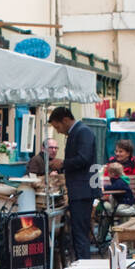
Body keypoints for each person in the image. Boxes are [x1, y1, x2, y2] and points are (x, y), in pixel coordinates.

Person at [48, 106, 97, 260]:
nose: (58, 131)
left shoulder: (82, 132)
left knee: (80, 233)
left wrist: (63, 164)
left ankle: (84, 267)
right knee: (77, 232)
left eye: (57, 127)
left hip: (82, 190)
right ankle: (81, 264)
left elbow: (84, 158)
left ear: (65, 120)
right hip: (79, 189)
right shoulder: (77, 132)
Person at [109, 139, 135, 206]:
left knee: (117, 210)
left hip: (133, 200)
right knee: (106, 207)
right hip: (113, 199)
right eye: (116, 151)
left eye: (120, 151)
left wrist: (131, 197)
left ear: (128, 153)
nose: (117, 154)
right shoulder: (110, 166)